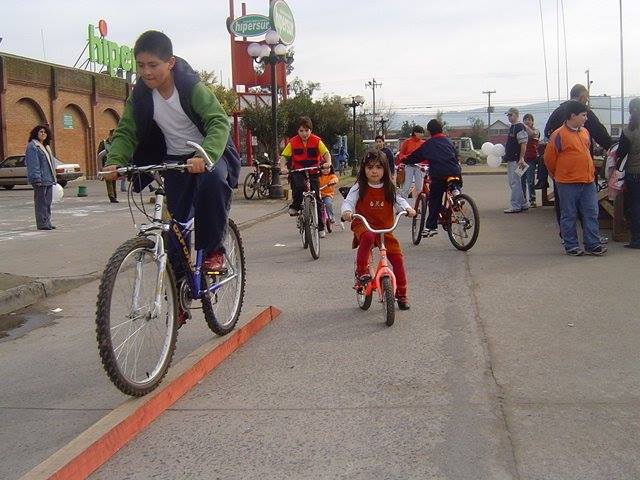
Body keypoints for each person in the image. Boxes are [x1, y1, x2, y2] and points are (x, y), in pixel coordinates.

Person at [103, 31, 241, 324]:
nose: (146, 72)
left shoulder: (190, 87)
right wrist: (114, 162)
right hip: (175, 160)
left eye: (153, 64)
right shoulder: (140, 94)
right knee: (174, 226)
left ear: (170, 62)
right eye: (140, 65)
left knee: (214, 183)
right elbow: (127, 131)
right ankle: (179, 290)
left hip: (209, 152)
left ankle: (214, 249)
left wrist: (205, 155)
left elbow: (218, 121)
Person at [341, 149, 416, 310]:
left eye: (378, 167)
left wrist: (408, 209)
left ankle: (402, 294)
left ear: (385, 169)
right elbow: (348, 201)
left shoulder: (389, 187)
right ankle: (361, 272)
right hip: (364, 224)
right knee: (367, 237)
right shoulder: (359, 187)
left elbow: (399, 201)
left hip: (384, 228)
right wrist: (347, 212)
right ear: (364, 170)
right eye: (369, 167)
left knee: (397, 259)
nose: (374, 171)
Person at [543, 84, 612, 243]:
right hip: (574, 175)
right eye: (586, 99)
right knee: (583, 210)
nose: (585, 117)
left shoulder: (558, 113)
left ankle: (571, 237)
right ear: (582, 97)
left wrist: (556, 174)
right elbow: (600, 133)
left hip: (569, 175)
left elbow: (547, 133)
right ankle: (576, 240)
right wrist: (613, 148)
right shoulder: (568, 127)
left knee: (568, 209)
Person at [401, 118, 462, 237]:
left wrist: (405, 160)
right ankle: (457, 194)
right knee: (454, 182)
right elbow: (456, 155)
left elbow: (416, 156)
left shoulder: (429, 144)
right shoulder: (448, 141)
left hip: (439, 173)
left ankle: (431, 227)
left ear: (429, 132)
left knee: (434, 199)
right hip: (455, 170)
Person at [279, 116, 332, 238]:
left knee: (317, 198)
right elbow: (284, 157)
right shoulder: (292, 142)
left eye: (307, 130)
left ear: (311, 130)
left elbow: (326, 153)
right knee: (299, 187)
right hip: (298, 170)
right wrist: (283, 167)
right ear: (297, 131)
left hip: (313, 170)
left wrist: (328, 162)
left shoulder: (317, 141)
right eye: (301, 130)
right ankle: (296, 206)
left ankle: (321, 227)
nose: (304, 133)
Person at [617, 97, 640, 249]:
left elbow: (620, 152)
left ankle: (636, 240)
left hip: (634, 173)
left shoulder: (628, 131)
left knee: (635, 206)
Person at [25, 125, 57, 230]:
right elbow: (33, 164)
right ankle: (42, 224)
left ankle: (47, 222)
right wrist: (36, 178)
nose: (43, 134)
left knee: (47, 203)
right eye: (41, 132)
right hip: (40, 179)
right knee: (41, 203)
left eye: (45, 132)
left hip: (49, 179)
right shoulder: (33, 146)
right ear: (36, 133)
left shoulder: (46, 147)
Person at [503, 107, 530, 213]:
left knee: (514, 182)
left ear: (516, 115)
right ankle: (523, 202)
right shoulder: (513, 127)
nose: (509, 117)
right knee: (516, 182)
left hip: (516, 159)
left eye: (511, 115)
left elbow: (523, 143)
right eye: (508, 115)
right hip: (512, 158)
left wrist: (521, 157)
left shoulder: (519, 127)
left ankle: (515, 205)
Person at [398, 125, 426, 199]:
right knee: (406, 187)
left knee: (419, 188)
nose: (422, 134)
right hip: (409, 166)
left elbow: (426, 155)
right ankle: (403, 205)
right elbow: (401, 154)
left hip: (419, 166)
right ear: (415, 133)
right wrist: (405, 158)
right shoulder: (407, 142)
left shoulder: (423, 143)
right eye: (420, 133)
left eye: (423, 133)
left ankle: (419, 205)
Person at [521, 114, 540, 207]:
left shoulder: (536, 130)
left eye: (529, 119)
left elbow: (532, 134)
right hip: (522, 160)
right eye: (525, 119)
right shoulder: (521, 131)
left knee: (530, 181)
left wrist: (525, 126)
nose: (527, 121)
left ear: (533, 121)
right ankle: (523, 199)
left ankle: (532, 199)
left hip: (531, 159)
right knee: (521, 180)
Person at [98, 129, 118, 203]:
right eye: (113, 135)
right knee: (109, 180)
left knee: (113, 180)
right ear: (110, 135)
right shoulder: (104, 143)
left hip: (113, 164)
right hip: (106, 165)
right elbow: (99, 155)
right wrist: (100, 169)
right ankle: (111, 197)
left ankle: (114, 196)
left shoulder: (115, 143)